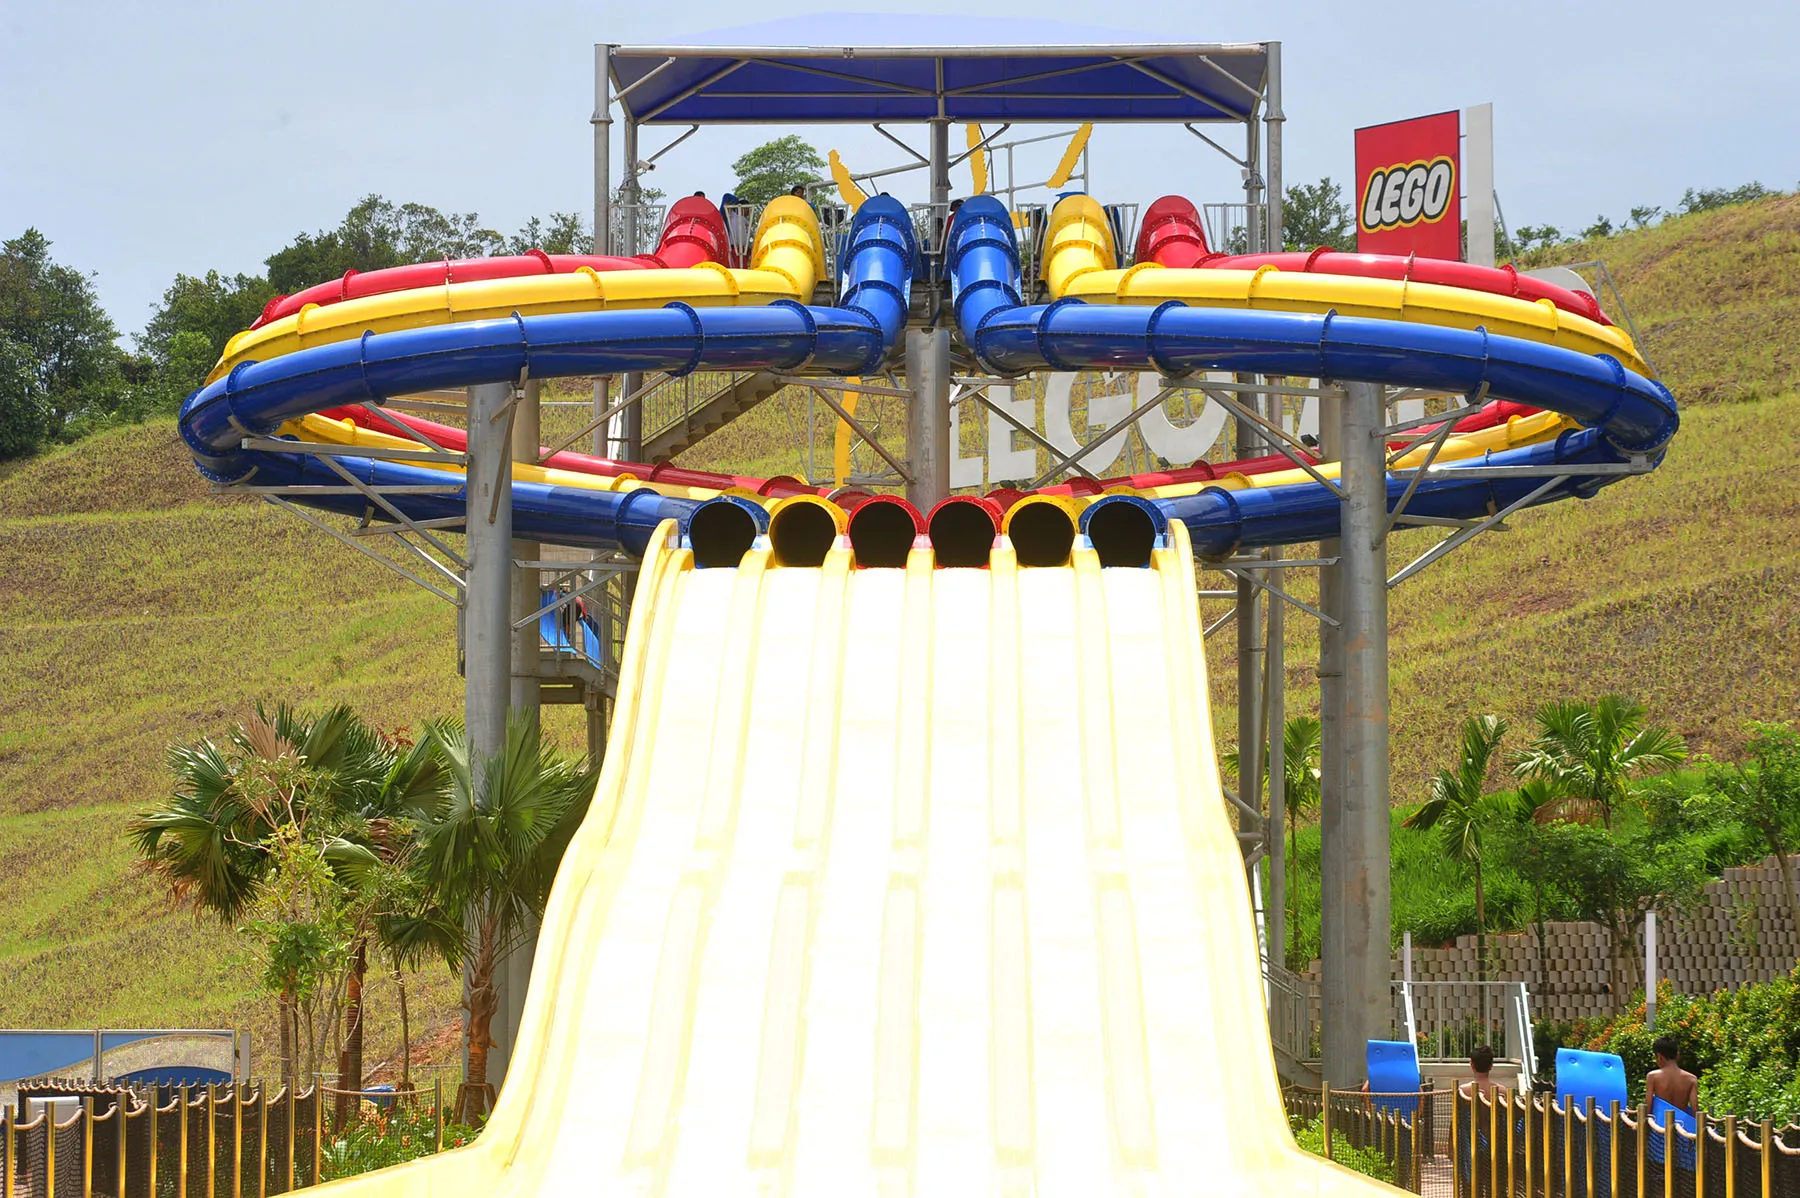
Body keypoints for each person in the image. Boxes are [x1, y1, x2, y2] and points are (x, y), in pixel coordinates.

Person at [1647, 1035, 1699, 1116]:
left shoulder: (1653, 1076)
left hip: (1660, 1125)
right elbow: (1695, 1109)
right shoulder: (1692, 1079)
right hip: (1681, 1125)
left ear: (1659, 1057)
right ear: (1677, 1055)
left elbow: (1648, 1107)